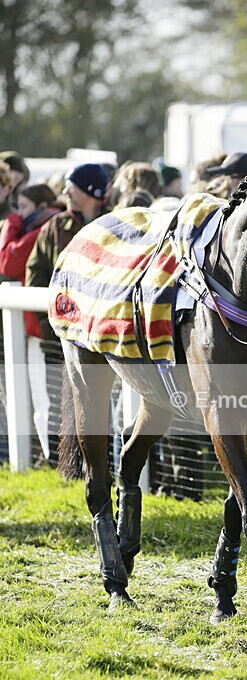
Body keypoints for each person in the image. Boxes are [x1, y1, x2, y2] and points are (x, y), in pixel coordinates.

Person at [25, 162, 109, 465]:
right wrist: (51, 326)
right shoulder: (55, 227)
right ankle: (58, 460)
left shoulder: (115, 222)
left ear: (90, 191)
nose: (65, 192)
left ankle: (103, 461)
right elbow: (35, 273)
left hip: (104, 334)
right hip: (61, 333)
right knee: (57, 398)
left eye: (71, 187)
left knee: (102, 400)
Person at [0, 183, 61, 462]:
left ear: (39, 206)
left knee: (44, 401)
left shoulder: (39, 230)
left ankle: (52, 458)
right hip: (38, 328)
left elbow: (6, 262)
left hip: (42, 330)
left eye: (23, 207)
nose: (19, 213)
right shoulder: (44, 226)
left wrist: (10, 223)